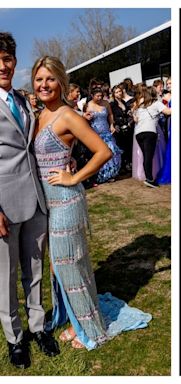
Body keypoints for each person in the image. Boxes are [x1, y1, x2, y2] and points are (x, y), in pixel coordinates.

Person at [31, 56, 151, 350]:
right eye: (39, 79)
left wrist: (75, 178)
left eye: (50, 79)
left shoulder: (68, 115)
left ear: (61, 81)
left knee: (70, 265)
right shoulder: (38, 115)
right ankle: (71, 314)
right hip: (46, 203)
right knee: (59, 267)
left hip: (66, 201)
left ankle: (85, 326)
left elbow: (102, 152)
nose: (44, 84)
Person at [0, 31, 60, 370]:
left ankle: (38, 328)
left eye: (7, 59)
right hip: (4, 205)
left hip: (36, 198)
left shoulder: (23, 100)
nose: (3, 65)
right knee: (5, 279)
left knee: (34, 271)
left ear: (15, 61)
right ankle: (15, 339)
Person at [132, 85, 171, 188]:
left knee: (146, 156)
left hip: (138, 134)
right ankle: (149, 179)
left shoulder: (140, 106)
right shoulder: (156, 103)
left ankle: (148, 178)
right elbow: (168, 112)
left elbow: (135, 119)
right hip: (149, 132)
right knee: (148, 156)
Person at [85, 86, 122, 183]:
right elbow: (85, 118)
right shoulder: (88, 105)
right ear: (92, 96)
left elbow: (110, 114)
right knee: (101, 153)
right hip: (95, 132)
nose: (99, 98)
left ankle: (112, 173)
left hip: (106, 131)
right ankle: (102, 175)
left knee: (112, 150)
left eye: (101, 96)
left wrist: (112, 125)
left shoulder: (106, 103)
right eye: (97, 96)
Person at [110, 85, 134, 173]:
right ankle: (122, 166)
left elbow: (127, 113)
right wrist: (114, 125)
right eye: (116, 92)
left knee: (128, 146)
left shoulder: (124, 102)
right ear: (113, 94)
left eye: (120, 91)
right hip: (118, 128)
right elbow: (111, 116)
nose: (119, 93)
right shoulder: (112, 104)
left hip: (127, 127)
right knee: (121, 147)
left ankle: (128, 164)